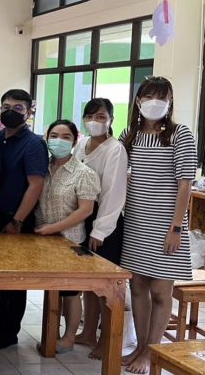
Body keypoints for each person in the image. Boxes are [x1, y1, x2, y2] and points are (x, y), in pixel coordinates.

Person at [119, 77, 196, 374]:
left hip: (166, 225)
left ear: (170, 101)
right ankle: (140, 347)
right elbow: (122, 173)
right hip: (136, 222)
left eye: (161, 97)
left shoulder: (180, 134)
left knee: (161, 291)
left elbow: (185, 184)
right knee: (138, 286)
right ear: (138, 101)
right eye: (149, 96)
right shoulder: (130, 134)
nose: (154, 102)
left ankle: (153, 352)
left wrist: (176, 228)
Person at [0, 89, 48, 350]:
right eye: (6, 107)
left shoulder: (33, 144)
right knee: (0, 275)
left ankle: (11, 331)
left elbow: (36, 185)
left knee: (15, 279)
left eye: (17, 108)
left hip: (17, 220)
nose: (10, 112)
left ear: (29, 111)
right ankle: (0, 320)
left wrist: (18, 221)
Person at [34, 119, 100, 353]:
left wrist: (54, 228)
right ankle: (52, 332)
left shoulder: (84, 173)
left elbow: (85, 210)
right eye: (54, 136)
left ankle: (69, 337)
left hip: (70, 240)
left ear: (74, 142)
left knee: (71, 291)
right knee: (53, 289)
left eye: (65, 137)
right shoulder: (42, 168)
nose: (58, 141)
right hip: (43, 240)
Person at [72, 98, 130, 360]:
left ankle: (107, 338)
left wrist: (100, 230)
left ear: (111, 120)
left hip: (105, 223)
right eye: (90, 116)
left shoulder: (115, 149)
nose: (95, 121)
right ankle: (88, 332)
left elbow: (113, 194)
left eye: (101, 117)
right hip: (82, 218)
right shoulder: (82, 144)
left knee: (107, 286)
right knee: (89, 283)